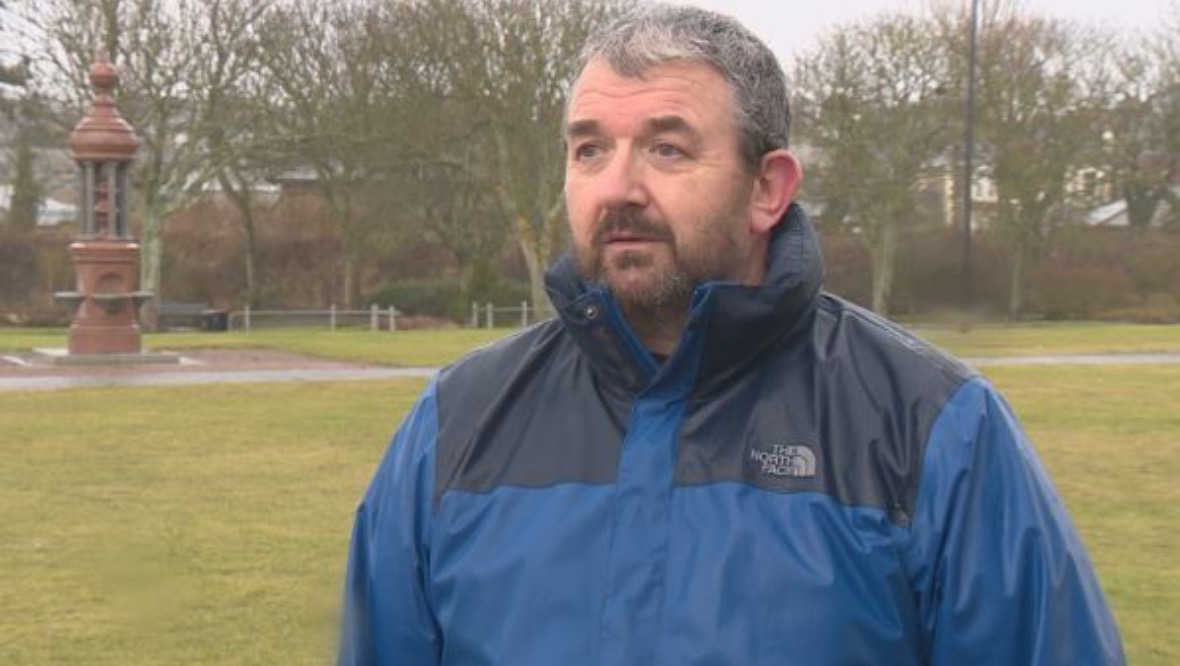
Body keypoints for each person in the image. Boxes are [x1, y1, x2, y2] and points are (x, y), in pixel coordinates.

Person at [337, 4, 1125, 665]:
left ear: (767, 188)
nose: (617, 187)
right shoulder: (455, 424)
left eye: (667, 148)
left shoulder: (936, 429)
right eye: (590, 150)